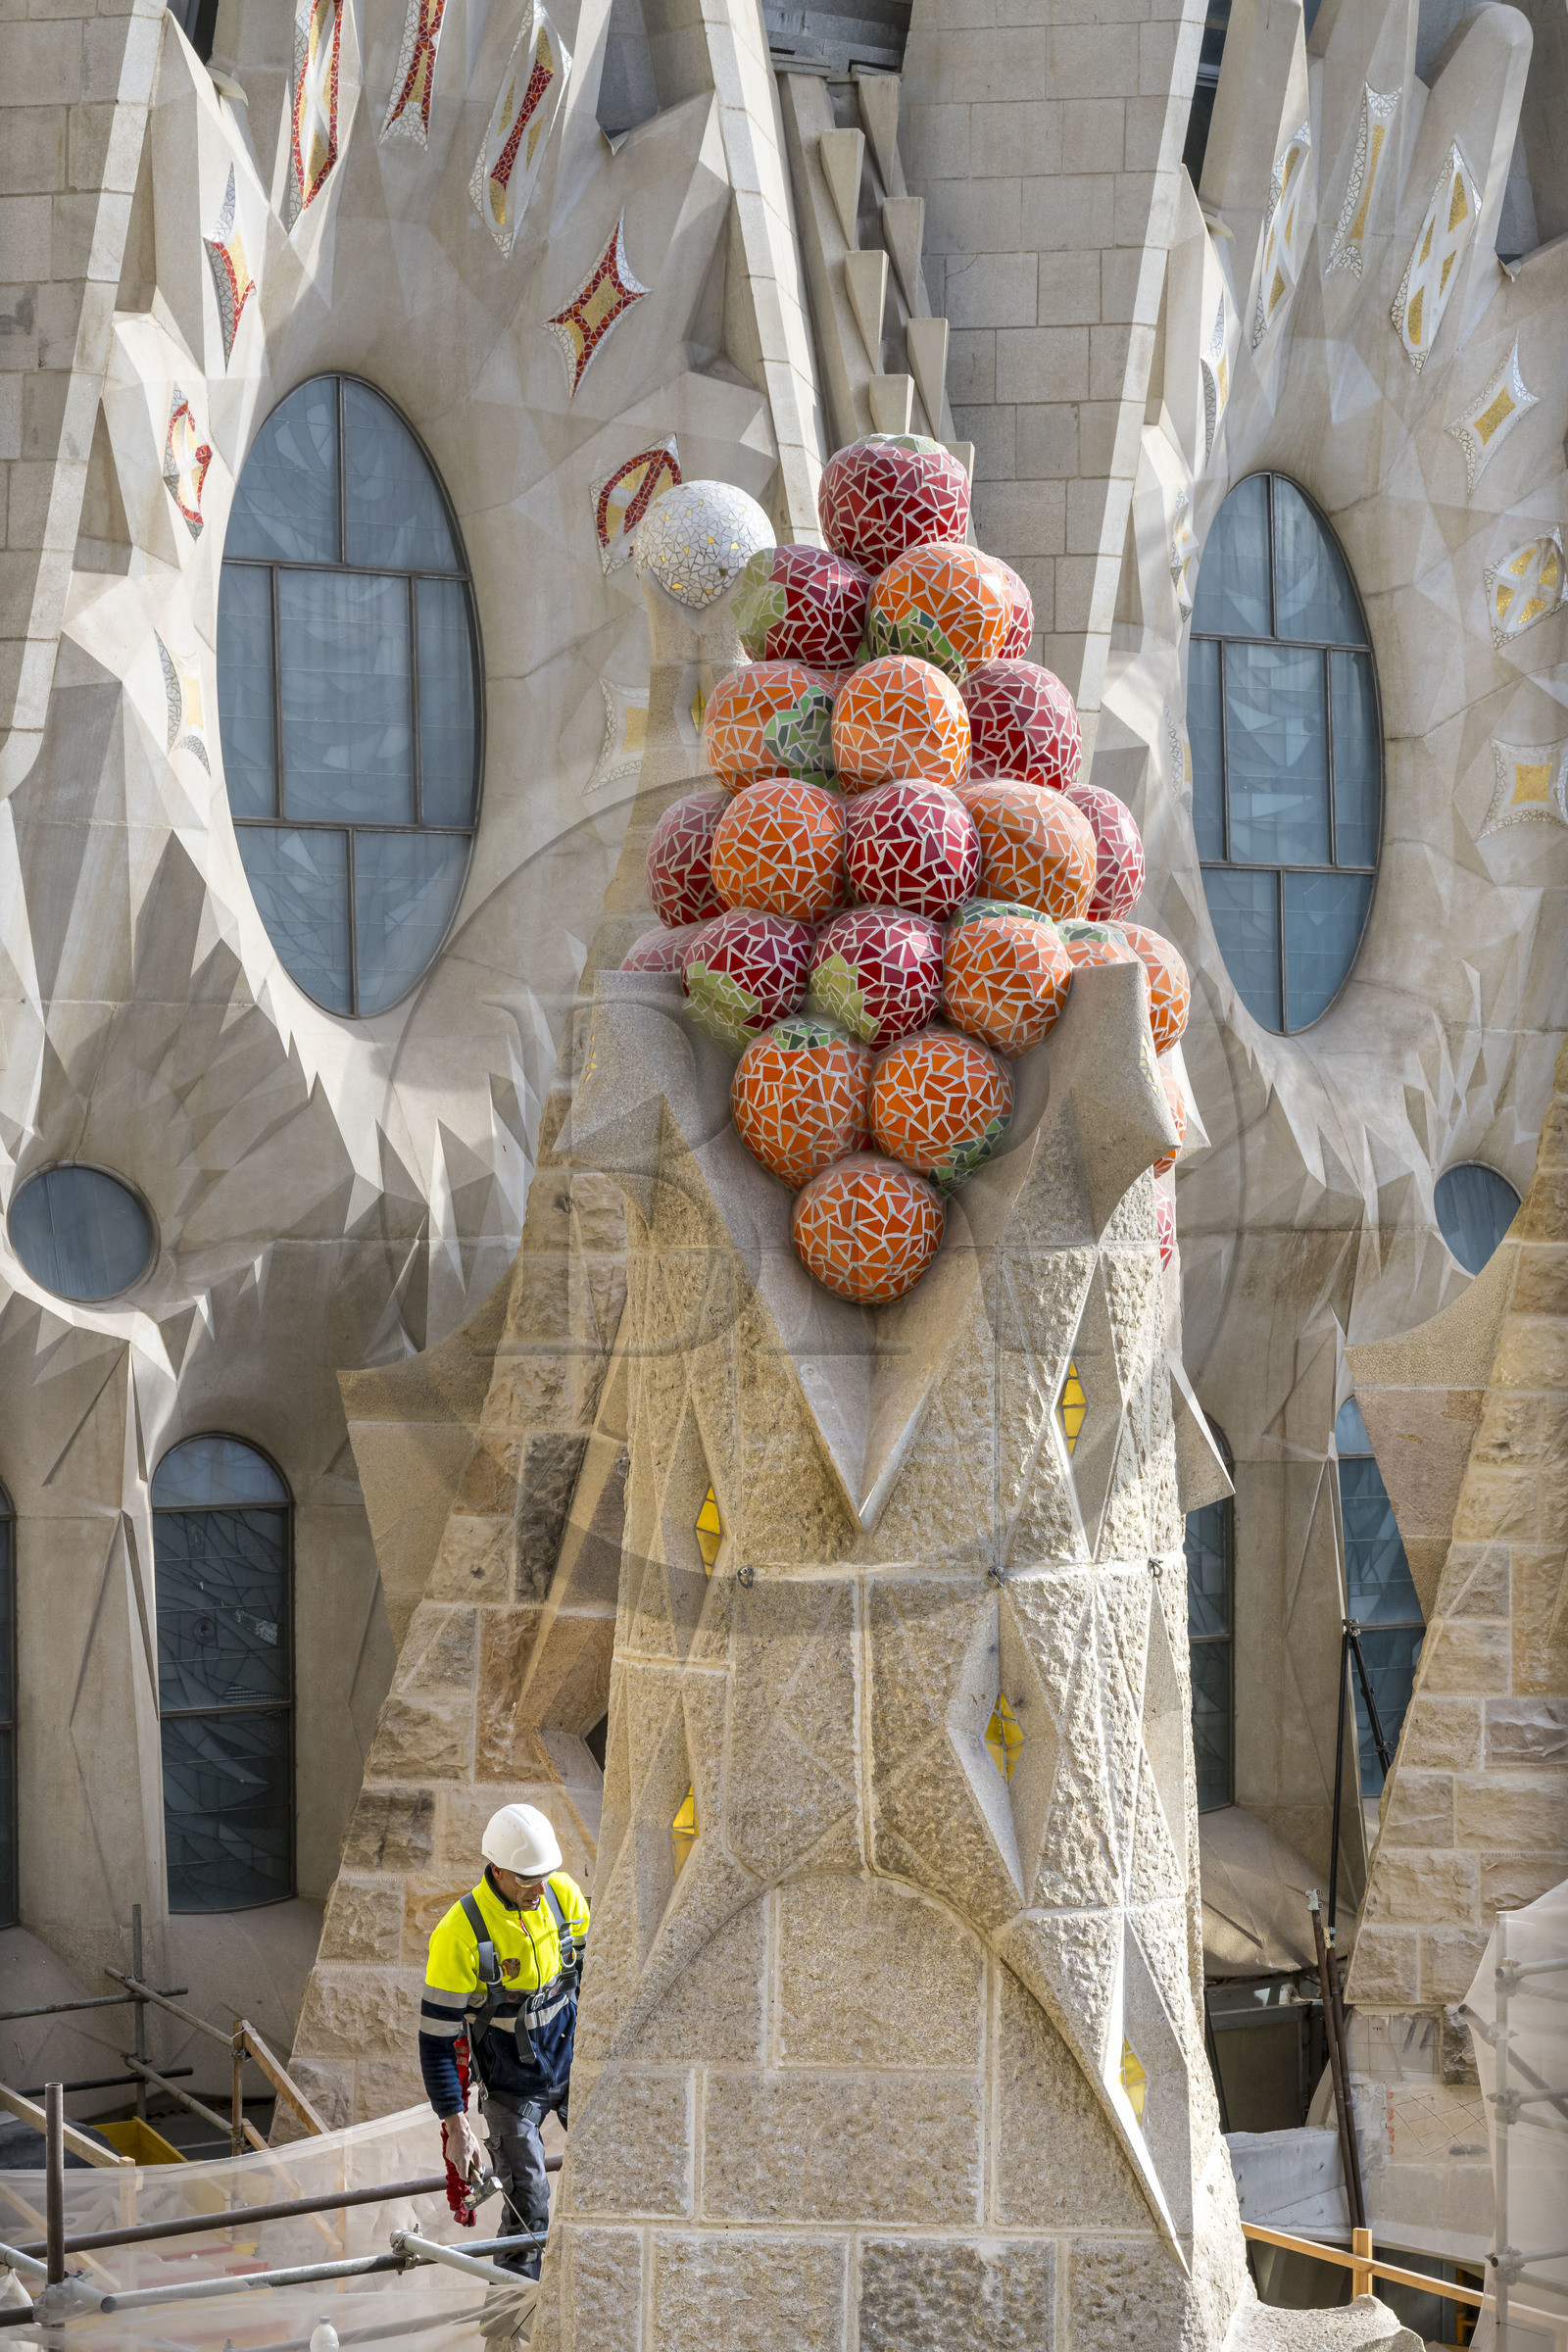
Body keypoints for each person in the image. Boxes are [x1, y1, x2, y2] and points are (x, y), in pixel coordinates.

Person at [418, 1803, 590, 2278]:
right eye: (527, 1879)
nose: (540, 1888)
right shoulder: (460, 1934)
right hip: (512, 2086)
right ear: (497, 1869)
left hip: (573, 2063)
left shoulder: (563, 1897)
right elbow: (435, 2042)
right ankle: (510, 2326)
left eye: (546, 1875)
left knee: (609, 2172)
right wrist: (455, 2126)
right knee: (528, 2202)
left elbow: (598, 1979)